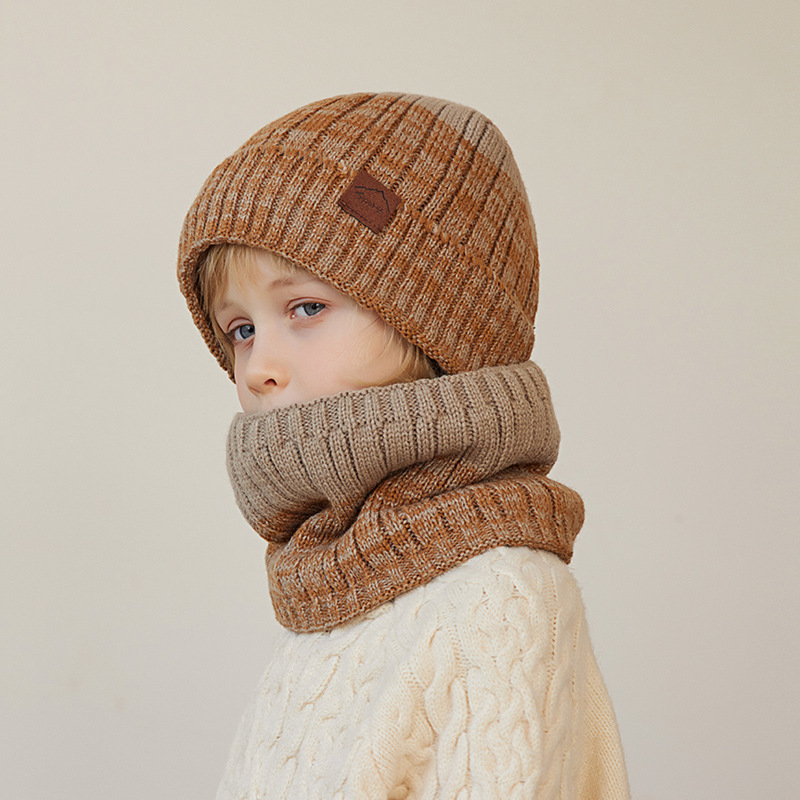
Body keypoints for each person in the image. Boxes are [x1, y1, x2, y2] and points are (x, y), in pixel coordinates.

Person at [177, 92, 630, 799]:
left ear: (437, 323)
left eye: (306, 308)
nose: (259, 364)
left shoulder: (496, 597)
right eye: (241, 330)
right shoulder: (329, 578)